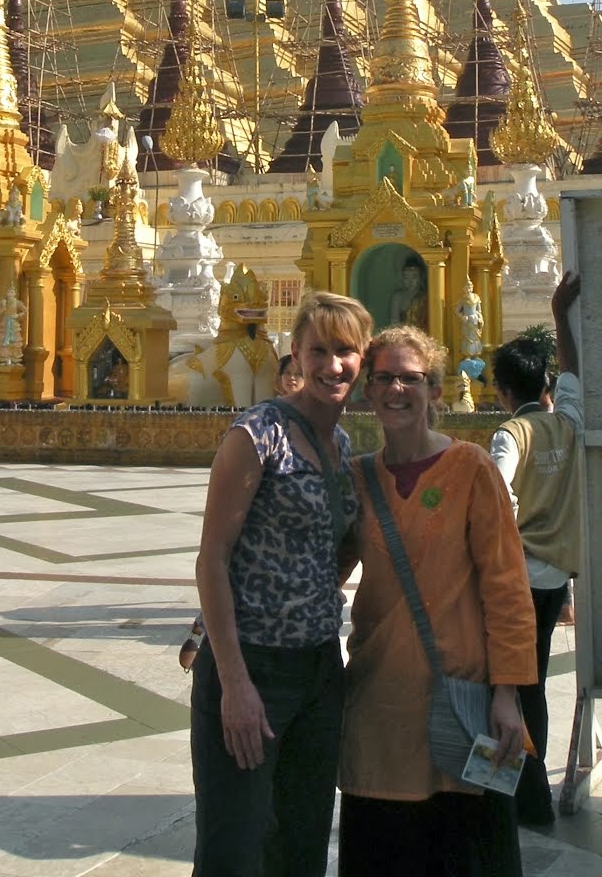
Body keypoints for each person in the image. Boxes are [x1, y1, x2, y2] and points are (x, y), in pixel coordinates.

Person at [338, 325, 537, 877]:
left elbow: (507, 589)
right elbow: (318, 571)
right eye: (385, 378)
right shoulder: (356, 478)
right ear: (368, 391)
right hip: (381, 699)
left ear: (436, 391)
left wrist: (507, 695)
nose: (397, 389)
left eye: (411, 378)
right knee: (384, 851)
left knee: (463, 854)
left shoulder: (472, 469)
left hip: (462, 697)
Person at [191, 291, 372, 877]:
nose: (332, 364)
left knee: (301, 841)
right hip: (252, 666)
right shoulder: (257, 434)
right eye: (318, 349)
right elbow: (212, 558)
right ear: (294, 353)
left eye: (345, 350)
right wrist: (235, 686)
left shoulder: (341, 446)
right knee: (234, 847)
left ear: (362, 357)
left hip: (319, 667)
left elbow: (336, 546)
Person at [490, 271, 583, 827]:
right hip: (556, 581)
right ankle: (526, 792)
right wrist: (558, 313)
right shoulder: (567, 423)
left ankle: (526, 797)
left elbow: (498, 501)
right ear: (544, 388)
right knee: (533, 683)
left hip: (517, 579)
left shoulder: (510, 435)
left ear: (502, 391)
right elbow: (571, 371)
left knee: (515, 687)